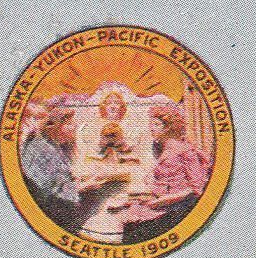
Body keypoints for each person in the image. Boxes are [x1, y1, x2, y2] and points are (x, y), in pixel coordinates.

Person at [19, 105, 123, 232]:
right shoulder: (42, 149)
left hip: (57, 202)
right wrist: (83, 186)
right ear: (56, 127)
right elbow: (52, 188)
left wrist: (78, 179)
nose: (74, 127)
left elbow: (58, 176)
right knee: (106, 195)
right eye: (69, 124)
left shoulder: (51, 144)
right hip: (51, 210)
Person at [119, 102, 211, 243]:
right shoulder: (162, 150)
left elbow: (196, 189)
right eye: (151, 124)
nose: (151, 128)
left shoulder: (186, 151)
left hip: (178, 209)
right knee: (129, 220)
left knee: (134, 229)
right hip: (162, 204)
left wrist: (161, 201)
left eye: (156, 124)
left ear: (168, 127)